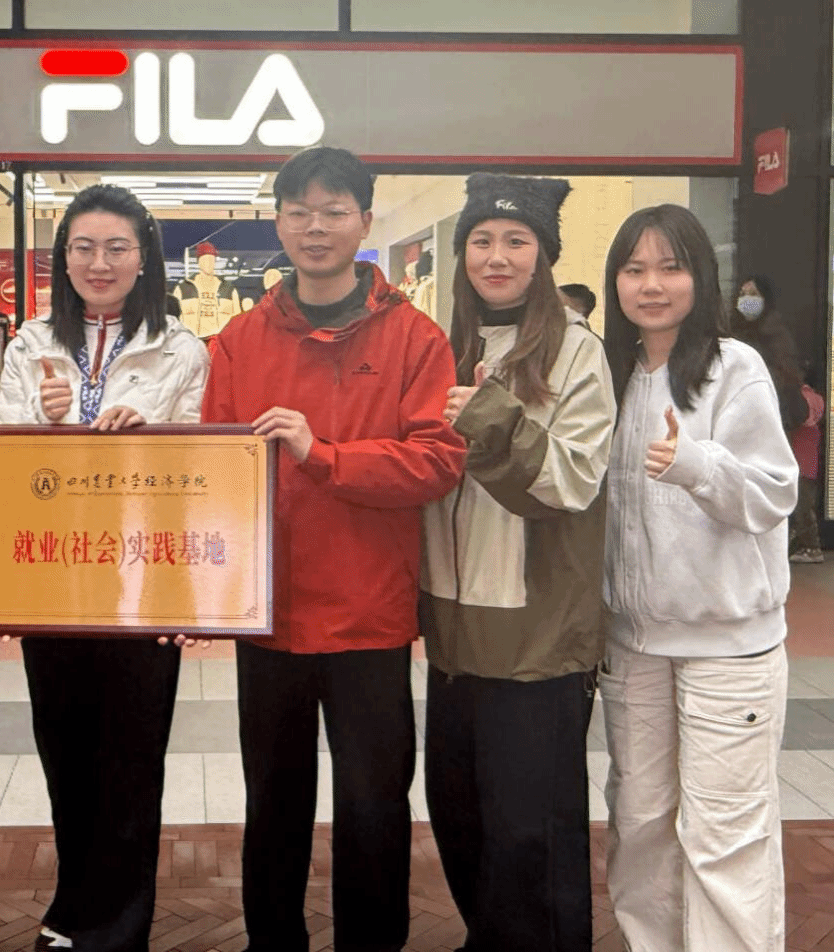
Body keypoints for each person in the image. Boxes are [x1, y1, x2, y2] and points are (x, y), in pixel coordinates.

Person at [202, 146, 466, 952]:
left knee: (373, 806)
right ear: (279, 223)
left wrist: (324, 454)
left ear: (365, 221)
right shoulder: (239, 340)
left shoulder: (414, 338)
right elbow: (211, 472)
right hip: (269, 615)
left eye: (333, 211)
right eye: (299, 212)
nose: (315, 227)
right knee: (272, 805)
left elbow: (437, 462)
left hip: (368, 617)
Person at [0, 183, 209, 952]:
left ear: (144, 257)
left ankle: (120, 926)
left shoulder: (181, 349)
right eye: (83, 247)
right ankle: (72, 908)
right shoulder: (30, 344)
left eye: (117, 247)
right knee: (65, 751)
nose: (99, 262)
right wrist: (44, 421)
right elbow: (3, 453)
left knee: (133, 758)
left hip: (143, 582)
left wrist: (149, 433)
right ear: (63, 259)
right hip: (53, 578)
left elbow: (202, 465)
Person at [419, 173, 615, 952]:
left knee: (532, 834)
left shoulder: (576, 351)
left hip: (537, 637)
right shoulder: (444, 348)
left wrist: (492, 417)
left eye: (516, 241)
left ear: (544, 255)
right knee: (460, 815)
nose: (495, 257)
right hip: (453, 633)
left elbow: (573, 481)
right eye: (481, 240)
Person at [600, 204, 797, 952]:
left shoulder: (732, 367)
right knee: (641, 825)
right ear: (615, 281)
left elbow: (774, 492)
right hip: (634, 645)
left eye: (670, 267)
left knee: (725, 834)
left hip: (729, 647)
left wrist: (698, 466)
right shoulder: (612, 371)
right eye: (634, 269)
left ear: (701, 278)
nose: (651, 285)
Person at [728, 274, 807, 432]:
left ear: (765, 300)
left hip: (772, 421)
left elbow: (788, 380)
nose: (746, 300)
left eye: (753, 294)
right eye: (742, 294)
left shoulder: (778, 335)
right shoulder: (729, 334)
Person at [790, 370, 825, 563]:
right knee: (805, 506)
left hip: (799, 464)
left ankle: (812, 548)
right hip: (810, 466)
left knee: (803, 508)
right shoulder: (819, 400)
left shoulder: (799, 398)